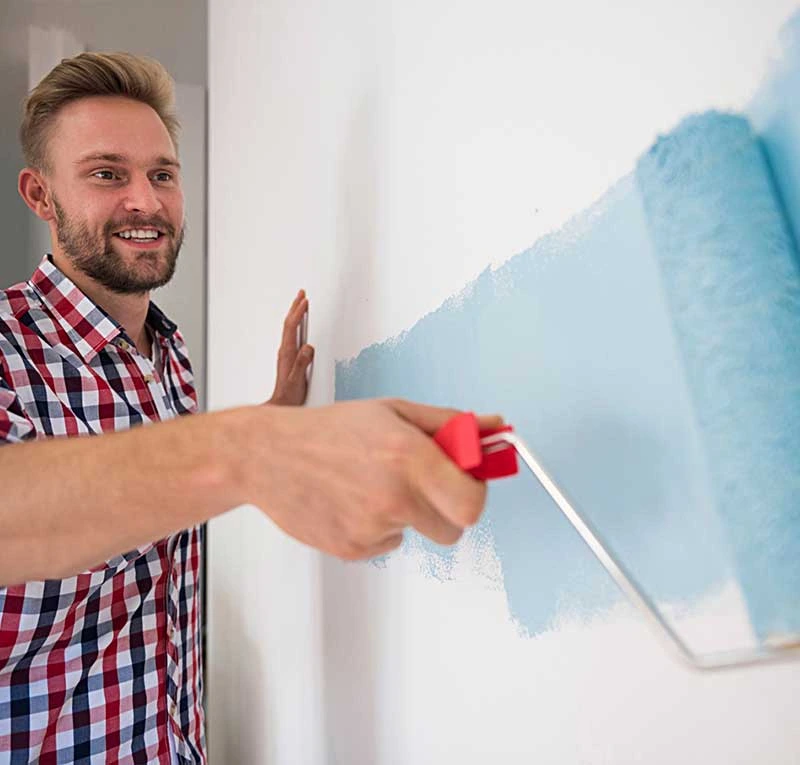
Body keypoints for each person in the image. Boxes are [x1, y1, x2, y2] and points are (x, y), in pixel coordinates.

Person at [0, 52, 499, 763]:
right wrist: (249, 446)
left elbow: (155, 505)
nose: (146, 202)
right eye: (107, 174)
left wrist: (273, 414)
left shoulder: (168, 353)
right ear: (40, 195)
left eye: (162, 174)